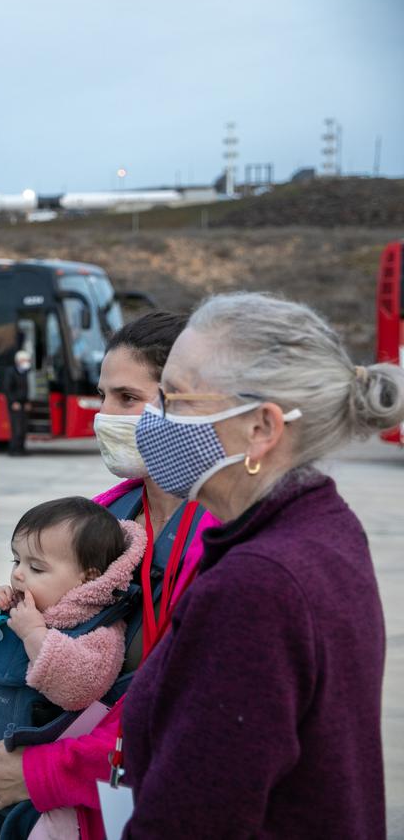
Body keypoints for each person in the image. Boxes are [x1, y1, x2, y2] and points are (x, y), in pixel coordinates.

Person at [118, 292, 401, 838]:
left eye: (175, 399)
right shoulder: (325, 525)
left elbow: (193, 819)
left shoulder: (257, 585)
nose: (154, 419)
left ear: (262, 429)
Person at [0, 311, 218, 840]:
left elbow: (185, 713)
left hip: (134, 793)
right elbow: (22, 630)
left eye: (128, 398)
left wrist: (36, 772)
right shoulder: (105, 515)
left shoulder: (223, 541)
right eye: (104, 395)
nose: (105, 415)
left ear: (190, 404)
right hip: (68, 790)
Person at [0, 498, 146, 839]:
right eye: (16, 560)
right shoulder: (18, 610)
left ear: (88, 578)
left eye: (36, 568)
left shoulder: (98, 631)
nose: (19, 574)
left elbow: (79, 686)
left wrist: (36, 635)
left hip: (38, 799)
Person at [4, 350, 32, 455]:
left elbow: (28, 388)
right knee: (16, 428)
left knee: (24, 427)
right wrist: (13, 402)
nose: (27, 362)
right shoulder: (11, 372)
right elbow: (7, 389)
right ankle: (13, 449)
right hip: (15, 404)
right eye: (25, 360)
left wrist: (28, 402)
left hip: (24, 403)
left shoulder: (26, 372)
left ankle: (22, 449)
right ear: (19, 361)